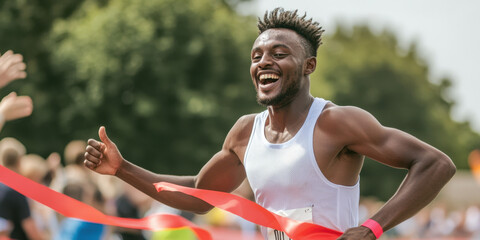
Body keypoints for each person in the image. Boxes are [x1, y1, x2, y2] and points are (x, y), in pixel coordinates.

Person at [84, 8, 456, 240]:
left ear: (308, 66)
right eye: (257, 55)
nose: (265, 62)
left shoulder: (335, 122)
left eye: (280, 54)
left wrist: (371, 229)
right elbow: (199, 195)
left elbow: (436, 164)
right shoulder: (245, 133)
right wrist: (121, 169)